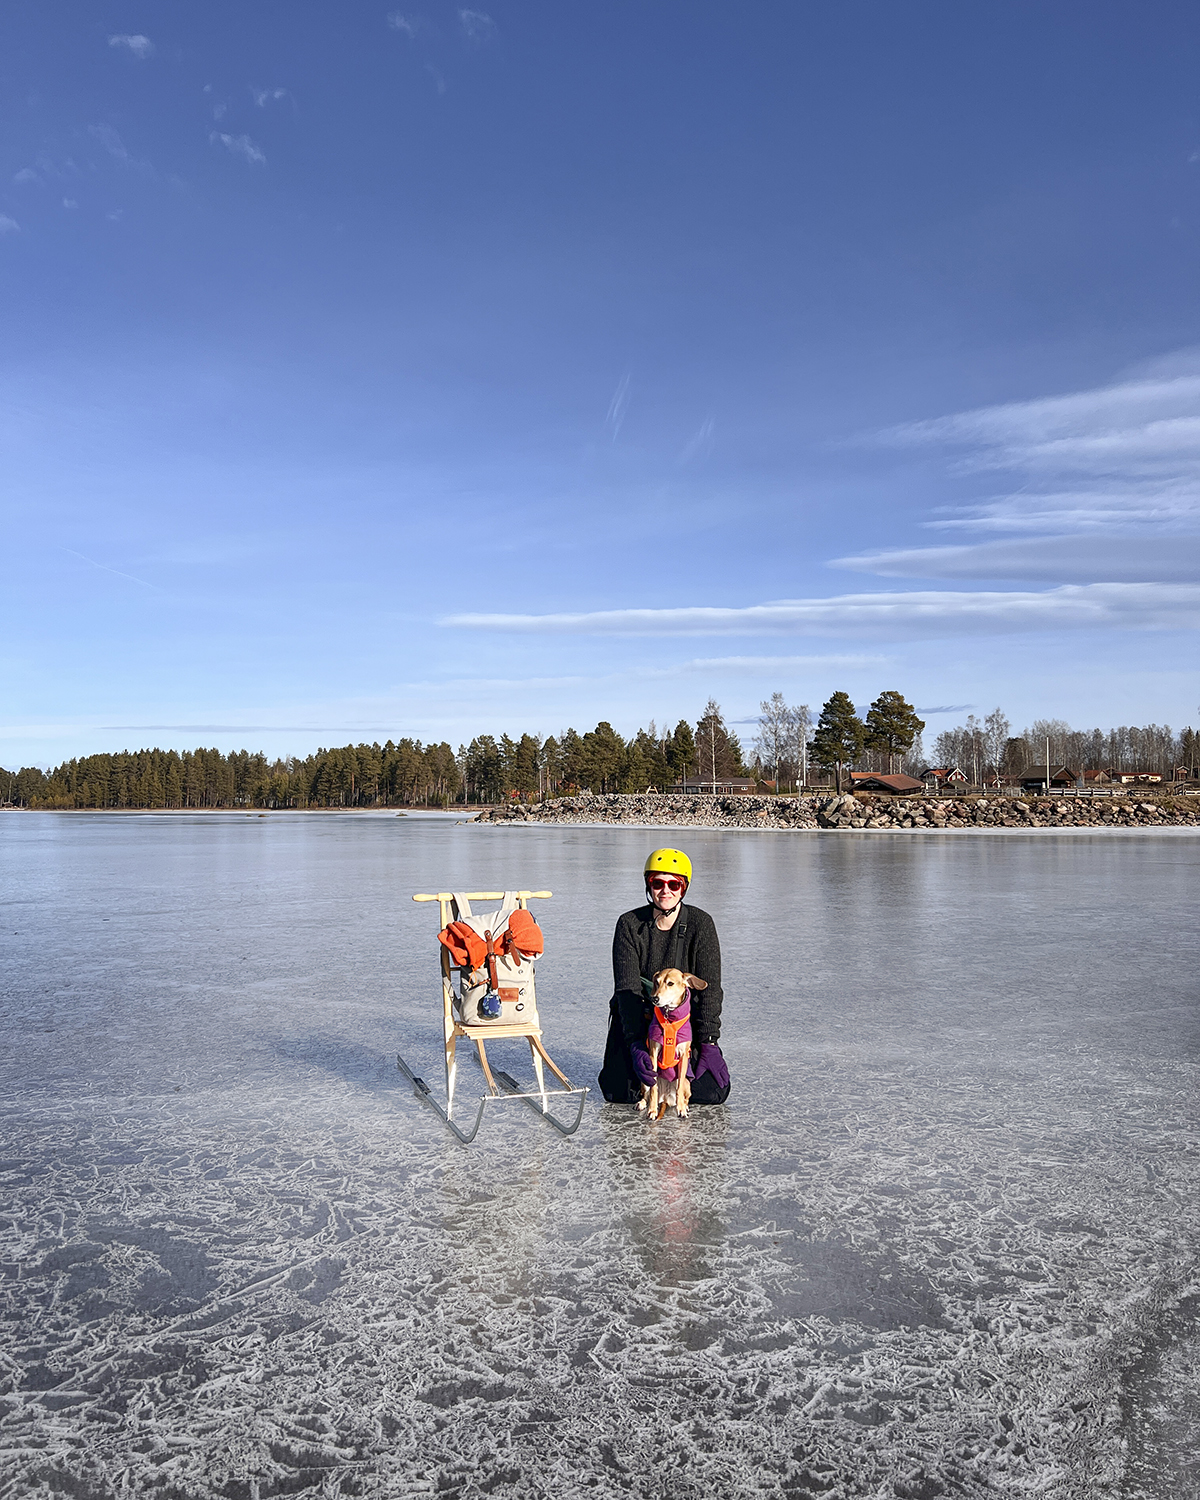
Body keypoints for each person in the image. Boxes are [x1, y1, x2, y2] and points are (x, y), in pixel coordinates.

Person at [598, 848, 732, 1105]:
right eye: (657, 883)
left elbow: (710, 991)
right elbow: (627, 990)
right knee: (619, 1092)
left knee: (712, 1092)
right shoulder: (629, 925)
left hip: (682, 1027)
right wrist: (636, 1043)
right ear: (649, 885)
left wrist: (709, 1043)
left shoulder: (701, 924)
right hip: (641, 1025)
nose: (665, 890)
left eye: (674, 883)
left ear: (684, 887)